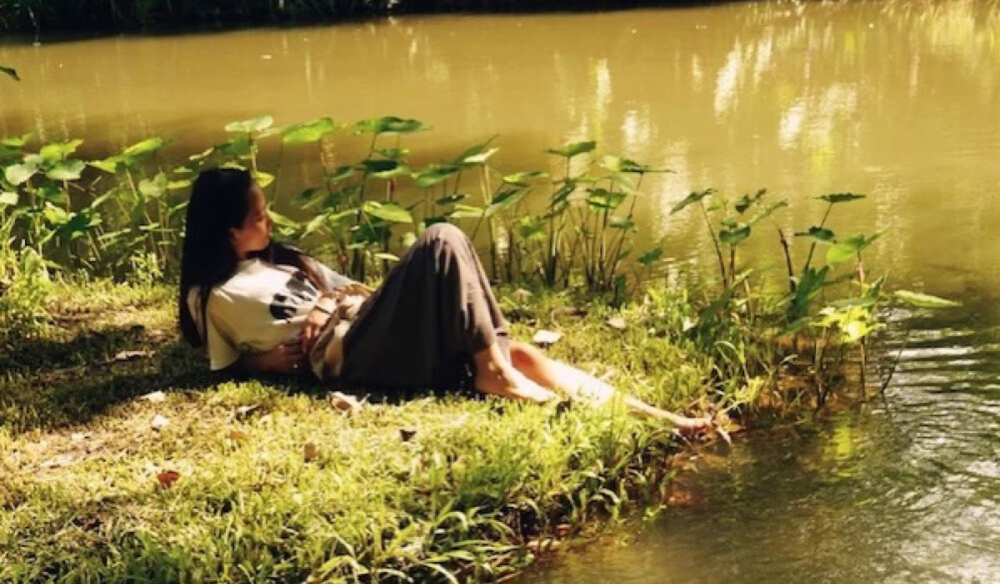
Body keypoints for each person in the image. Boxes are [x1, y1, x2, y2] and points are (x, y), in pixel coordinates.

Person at [178, 165, 712, 428]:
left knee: (523, 354)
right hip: (352, 354)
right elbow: (223, 366)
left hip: (369, 326)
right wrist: (266, 359)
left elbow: (349, 294)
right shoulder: (214, 295)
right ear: (229, 232)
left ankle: (667, 421)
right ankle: (493, 374)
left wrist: (328, 301)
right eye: (258, 216)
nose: (269, 220)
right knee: (442, 238)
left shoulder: (285, 258)